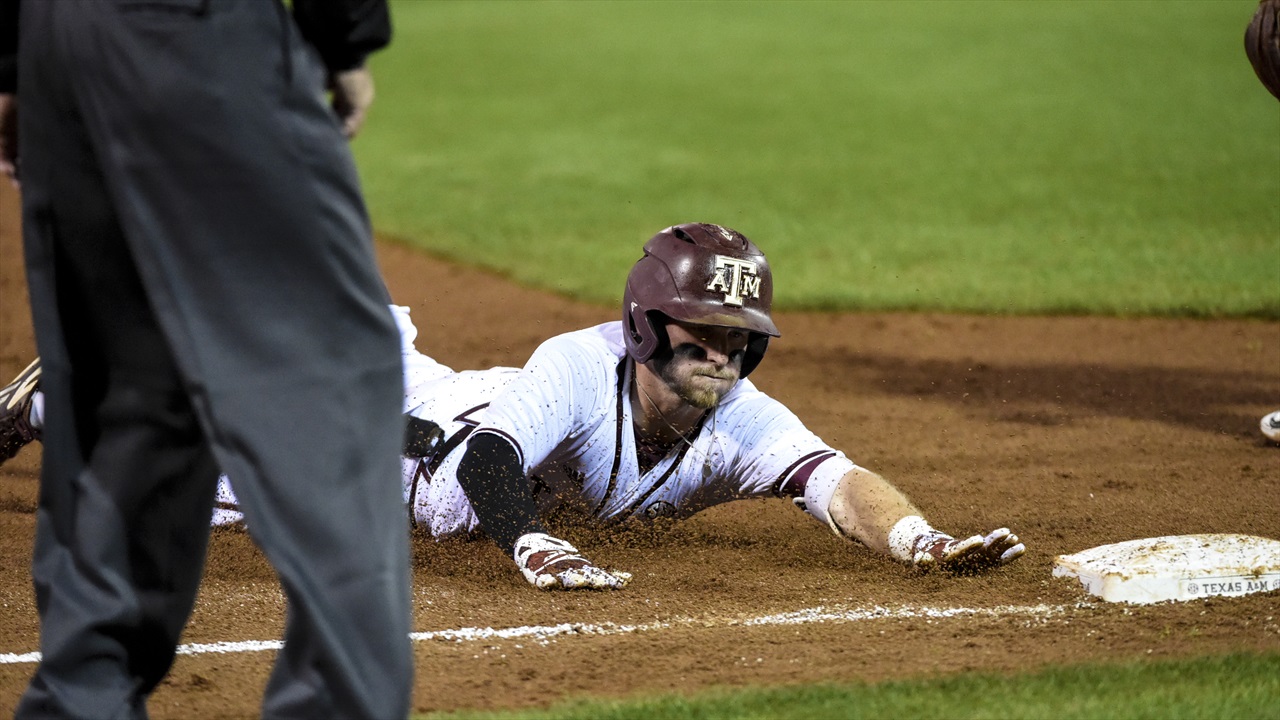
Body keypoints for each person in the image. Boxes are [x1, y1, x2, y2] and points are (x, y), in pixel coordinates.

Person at [5, 223, 1027, 592]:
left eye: (734, 338)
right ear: (644, 328)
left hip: (439, 415)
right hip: (395, 449)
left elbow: (834, 481)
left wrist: (918, 542)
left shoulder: (739, 418)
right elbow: (492, 456)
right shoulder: (577, 367)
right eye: (697, 334)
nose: (717, 354)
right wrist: (533, 544)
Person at [0, 0, 413, 717]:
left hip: (55, 43)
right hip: (196, 38)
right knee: (332, 384)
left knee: (128, 403)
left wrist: (14, 62)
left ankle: (80, 701)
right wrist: (344, 35)